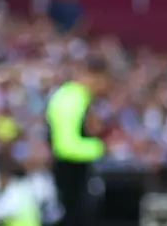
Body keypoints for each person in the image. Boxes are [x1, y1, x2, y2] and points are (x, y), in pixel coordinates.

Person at [46, 59, 108, 226]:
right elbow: (65, 146)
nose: (104, 87)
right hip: (69, 176)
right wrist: (102, 148)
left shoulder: (80, 98)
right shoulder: (72, 99)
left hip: (76, 175)